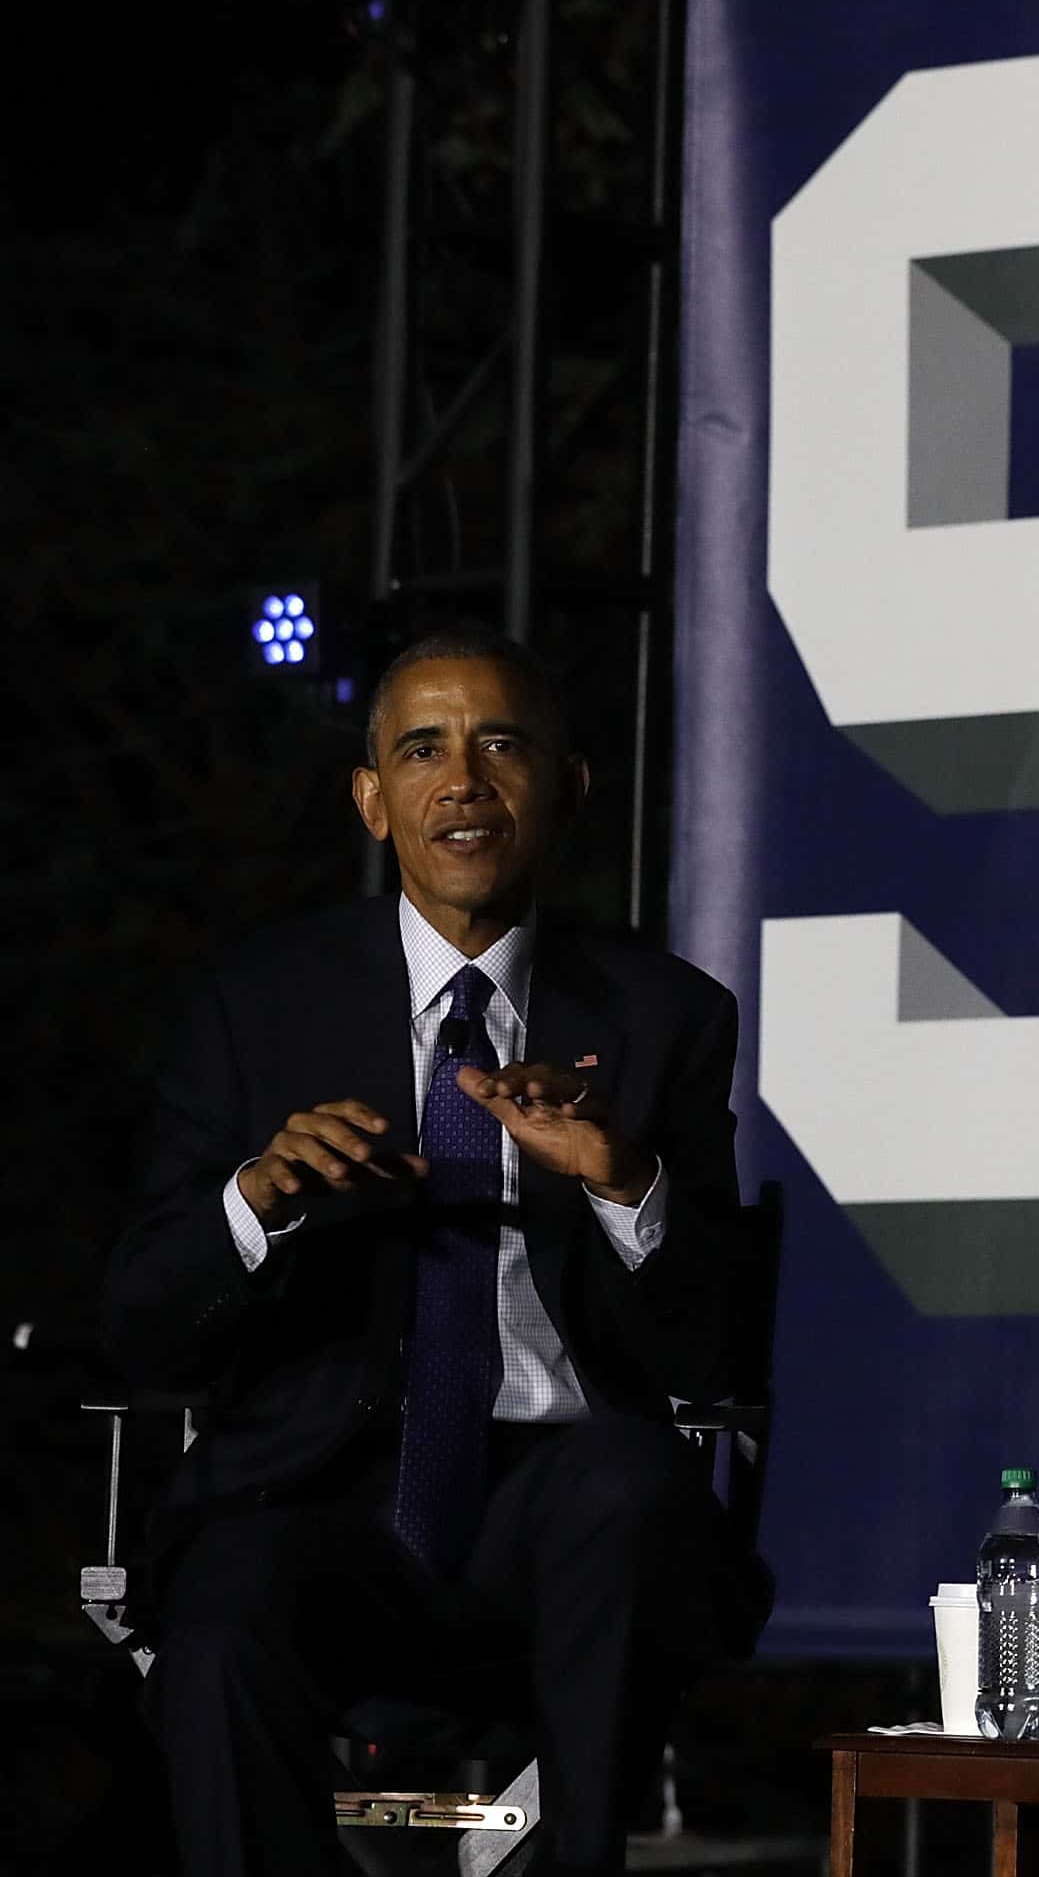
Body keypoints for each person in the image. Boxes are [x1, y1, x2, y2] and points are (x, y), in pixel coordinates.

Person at [103, 628, 767, 1877]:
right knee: (224, 1619)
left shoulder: (663, 1014)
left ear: (565, 787)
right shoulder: (255, 1004)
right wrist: (257, 1197)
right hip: (322, 1490)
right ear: (373, 800)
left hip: (560, 1494)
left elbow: (715, 1342)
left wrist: (625, 1179)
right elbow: (141, 1321)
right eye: (422, 749)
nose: (462, 778)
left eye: (499, 743)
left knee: (627, 1489)